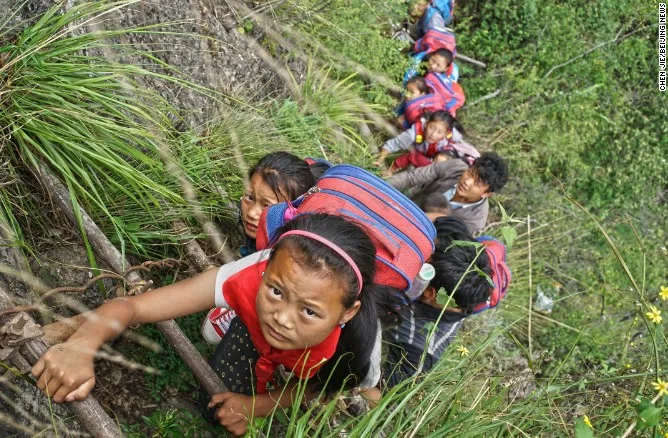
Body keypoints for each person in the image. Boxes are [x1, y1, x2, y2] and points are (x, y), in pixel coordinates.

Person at [31, 213, 401, 436]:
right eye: (274, 290)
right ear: (265, 268)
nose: (283, 319)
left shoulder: (357, 343)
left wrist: (260, 405)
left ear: (346, 313)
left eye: (309, 312)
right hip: (254, 327)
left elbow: (327, 387)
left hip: (320, 365)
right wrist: (82, 343)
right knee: (216, 407)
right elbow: (132, 307)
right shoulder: (246, 276)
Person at [205, 152, 328, 344]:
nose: (252, 213)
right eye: (249, 197)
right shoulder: (278, 230)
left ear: (291, 212)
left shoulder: (299, 254)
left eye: (266, 205)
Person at [382, 216, 492, 387]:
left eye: (422, 264)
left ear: (429, 292)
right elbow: (443, 220)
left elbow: (383, 394)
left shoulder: (420, 349)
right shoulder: (456, 250)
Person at [387, 151, 509, 234]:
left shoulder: (475, 221)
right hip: (405, 205)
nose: (467, 181)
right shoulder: (455, 167)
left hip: (416, 233)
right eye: (470, 173)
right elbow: (411, 177)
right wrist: (380, 186)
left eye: (476, 184)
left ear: (486, 194)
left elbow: (444, 241)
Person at [373, 110, 464, 171]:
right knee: (414, 156)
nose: (433, 134)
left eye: (440, 132)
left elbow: (459, 142)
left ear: (446, 133)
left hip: (436, 155)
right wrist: (380, 159)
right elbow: (393, 144)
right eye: (431, 127)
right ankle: (391, 170)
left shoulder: (453, 135)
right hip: (422, 153)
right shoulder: (413, 133)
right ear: (427, 124)